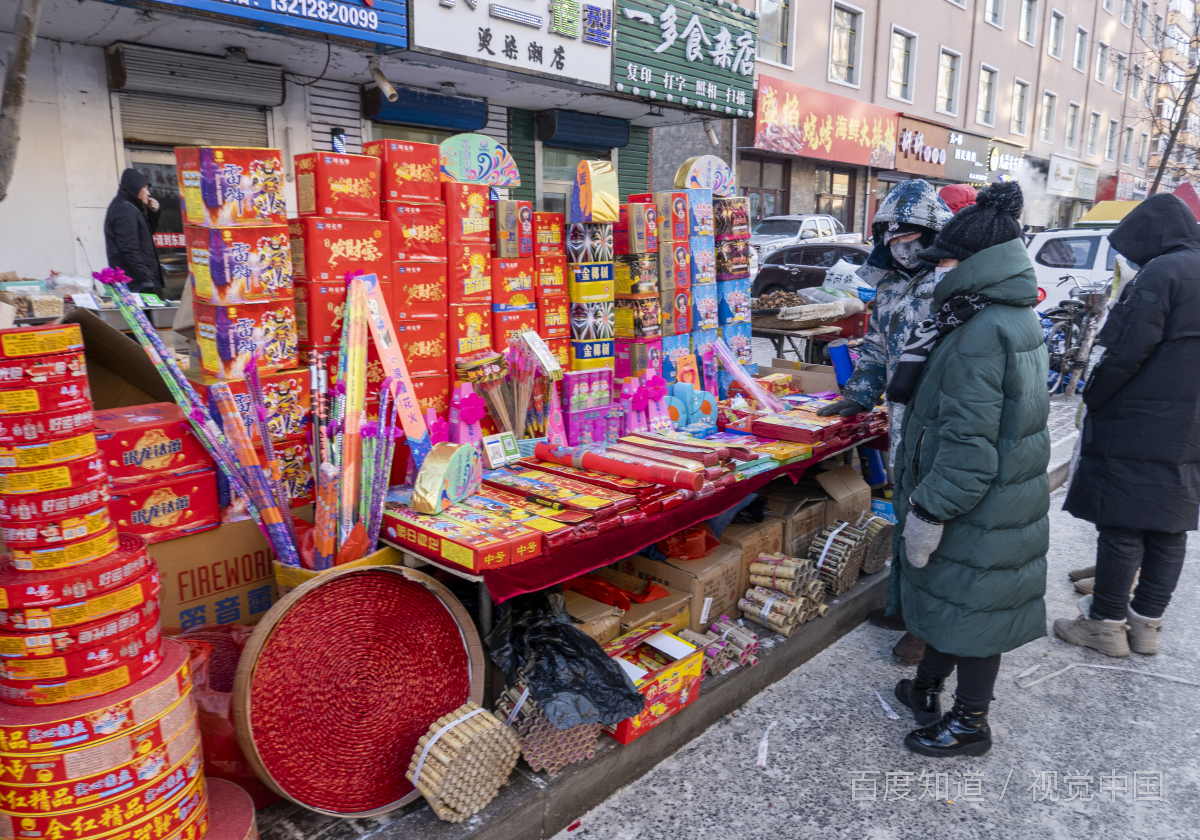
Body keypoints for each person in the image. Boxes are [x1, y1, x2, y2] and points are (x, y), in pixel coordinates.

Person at [886, 181, 1050, 757]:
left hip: (979, 501)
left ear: (976, 264)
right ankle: (928, 687)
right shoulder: (1003, 313)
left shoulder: (980, 331)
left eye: (947, 260)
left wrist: (929, 510)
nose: (937, 270)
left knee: (975, 611)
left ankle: (971, 724)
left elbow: (968, 445)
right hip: (999, 497)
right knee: (954, 600)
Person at [1054, 193, 1200, 658]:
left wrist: (1092, 395)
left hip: (1140, 418)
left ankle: (1106, 623)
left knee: (1122, 525)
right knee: (1169, 526)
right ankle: (1146, 626)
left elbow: (1123, 350)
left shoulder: (1162, 273)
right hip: (1190, 424)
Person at [817, 179, 952, 665]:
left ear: (933, 233)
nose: (904, 246)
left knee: (932, 520)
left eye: (913, 235)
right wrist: (855, 395)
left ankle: (926, 628)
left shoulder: (952, 283)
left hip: (940, 418)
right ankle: (901, 606)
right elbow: (875, 348)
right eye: (894, 237)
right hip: (898, 419)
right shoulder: (889, 287)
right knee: (902, 507)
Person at [104, 168, 166, 295]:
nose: (148, 193)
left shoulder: (131, 208)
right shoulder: (124, 210)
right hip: (136, 284)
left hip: (139, 281)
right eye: (145, 188)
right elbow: (130, 248)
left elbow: (145, 237)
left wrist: (153, 214)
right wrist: (146, 279)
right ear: (135, 188)